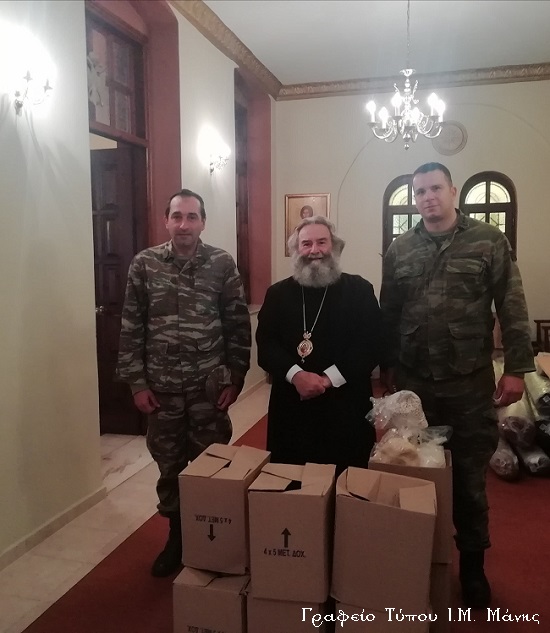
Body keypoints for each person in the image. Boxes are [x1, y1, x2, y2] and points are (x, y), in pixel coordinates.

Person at [380, 162, 535, 609]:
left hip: (468, 382)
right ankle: (418, 558)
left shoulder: (488, 240)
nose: (428, 197)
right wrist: (387, 366)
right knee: (412, 471)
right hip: (414, 382)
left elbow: (512, 304)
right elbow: (389, 311)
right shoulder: (400, 248)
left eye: (435, 188)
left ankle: (472, 569)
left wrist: (516, 368)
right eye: (420, 192)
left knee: (468, 481)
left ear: (452, 192)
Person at [117, 188, 251, 577]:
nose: (184, 224)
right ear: (166, 221)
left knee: (213, 466)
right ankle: (177, 538)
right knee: (170, 468)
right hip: (162, 392)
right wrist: (137, 383)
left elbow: (237, 323)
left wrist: (237, 376)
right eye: (177, 216)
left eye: (192, 217)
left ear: (203, 222)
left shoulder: (221, 263)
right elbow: (131, 326)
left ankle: (214, 538)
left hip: (209, 389)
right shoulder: (144, 265)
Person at [256, 215, 383, 474]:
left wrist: (326, 380)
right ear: (296, 249)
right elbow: (266, 346)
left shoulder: (359, 290)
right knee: (292, 481)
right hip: (292, 407)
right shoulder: (277, 294)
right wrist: (297, 375)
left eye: (322, 242)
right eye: (306, 244)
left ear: (334, 247)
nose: (315, 250)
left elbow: (371, 344)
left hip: (345, 406)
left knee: (347, 483)